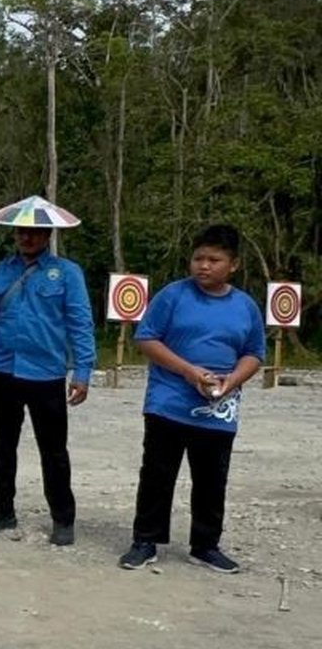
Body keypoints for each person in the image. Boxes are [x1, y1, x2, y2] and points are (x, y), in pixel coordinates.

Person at [118, 225, 265, 574]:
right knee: (157, 473)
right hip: (168, 401)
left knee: (212, 478)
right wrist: (187, 371)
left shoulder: (246, 306)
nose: (204, 266)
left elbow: (254, 353)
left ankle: (205, 545)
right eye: (198, 258)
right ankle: (145, 540)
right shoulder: (173, 295)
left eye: (214, 259)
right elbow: (147, 338)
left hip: (219, 407)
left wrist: (232, 380)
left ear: (234, 264)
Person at [0, 196, 96, 547]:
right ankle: (1, 509)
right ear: (14, 233)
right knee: (1, 445)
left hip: (46, 373)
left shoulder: (67, 274)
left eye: (35, 232)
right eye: (22, 231)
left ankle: (63, 517)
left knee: (54, 449)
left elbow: (80, 324)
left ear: (48, 234)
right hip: (3, 369)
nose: (27, 238)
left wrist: (83, 370)